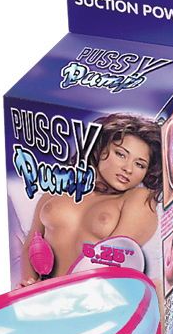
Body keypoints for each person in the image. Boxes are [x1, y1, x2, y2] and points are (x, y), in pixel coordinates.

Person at [19, 113, 163, 290]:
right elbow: (30, 244)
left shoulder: (138, 198)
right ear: (99, 149)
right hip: (45, 296)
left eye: (140, 164)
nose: (128, 169)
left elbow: (115, 262)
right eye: (120, 154)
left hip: (96, 297)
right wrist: (29, 286)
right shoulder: (57, 188)